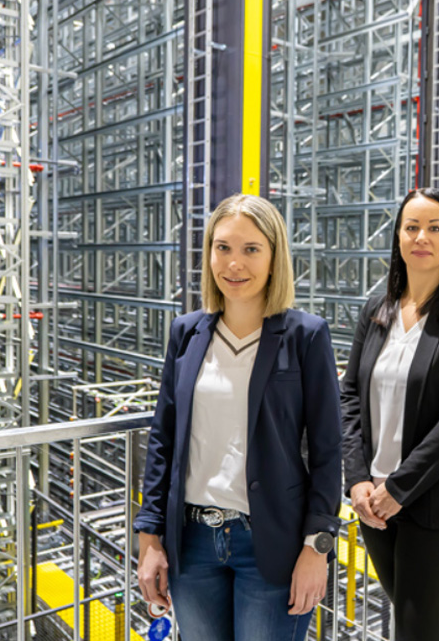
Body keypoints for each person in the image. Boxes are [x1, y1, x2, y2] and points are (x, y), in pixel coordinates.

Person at [133, 194, 342, 641]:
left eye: (251, 249)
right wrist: (149, 536)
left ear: (274, 256)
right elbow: (162, 440)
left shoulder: (305, 336)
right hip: (191, 545)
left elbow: (328, 451)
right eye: (223, 247)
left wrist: (317, 549)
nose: (234, 264)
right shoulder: (186, 333)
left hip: (272, 544)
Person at [341, 188, 439, 641]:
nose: (421, 237)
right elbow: (349, 394)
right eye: (411, 227)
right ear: (398, 238)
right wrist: (358, 479)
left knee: (417, 632)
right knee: (411, 626)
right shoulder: (377, 311)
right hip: (375, 503)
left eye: (435, 228)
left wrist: (400, 486)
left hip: (437, 506)